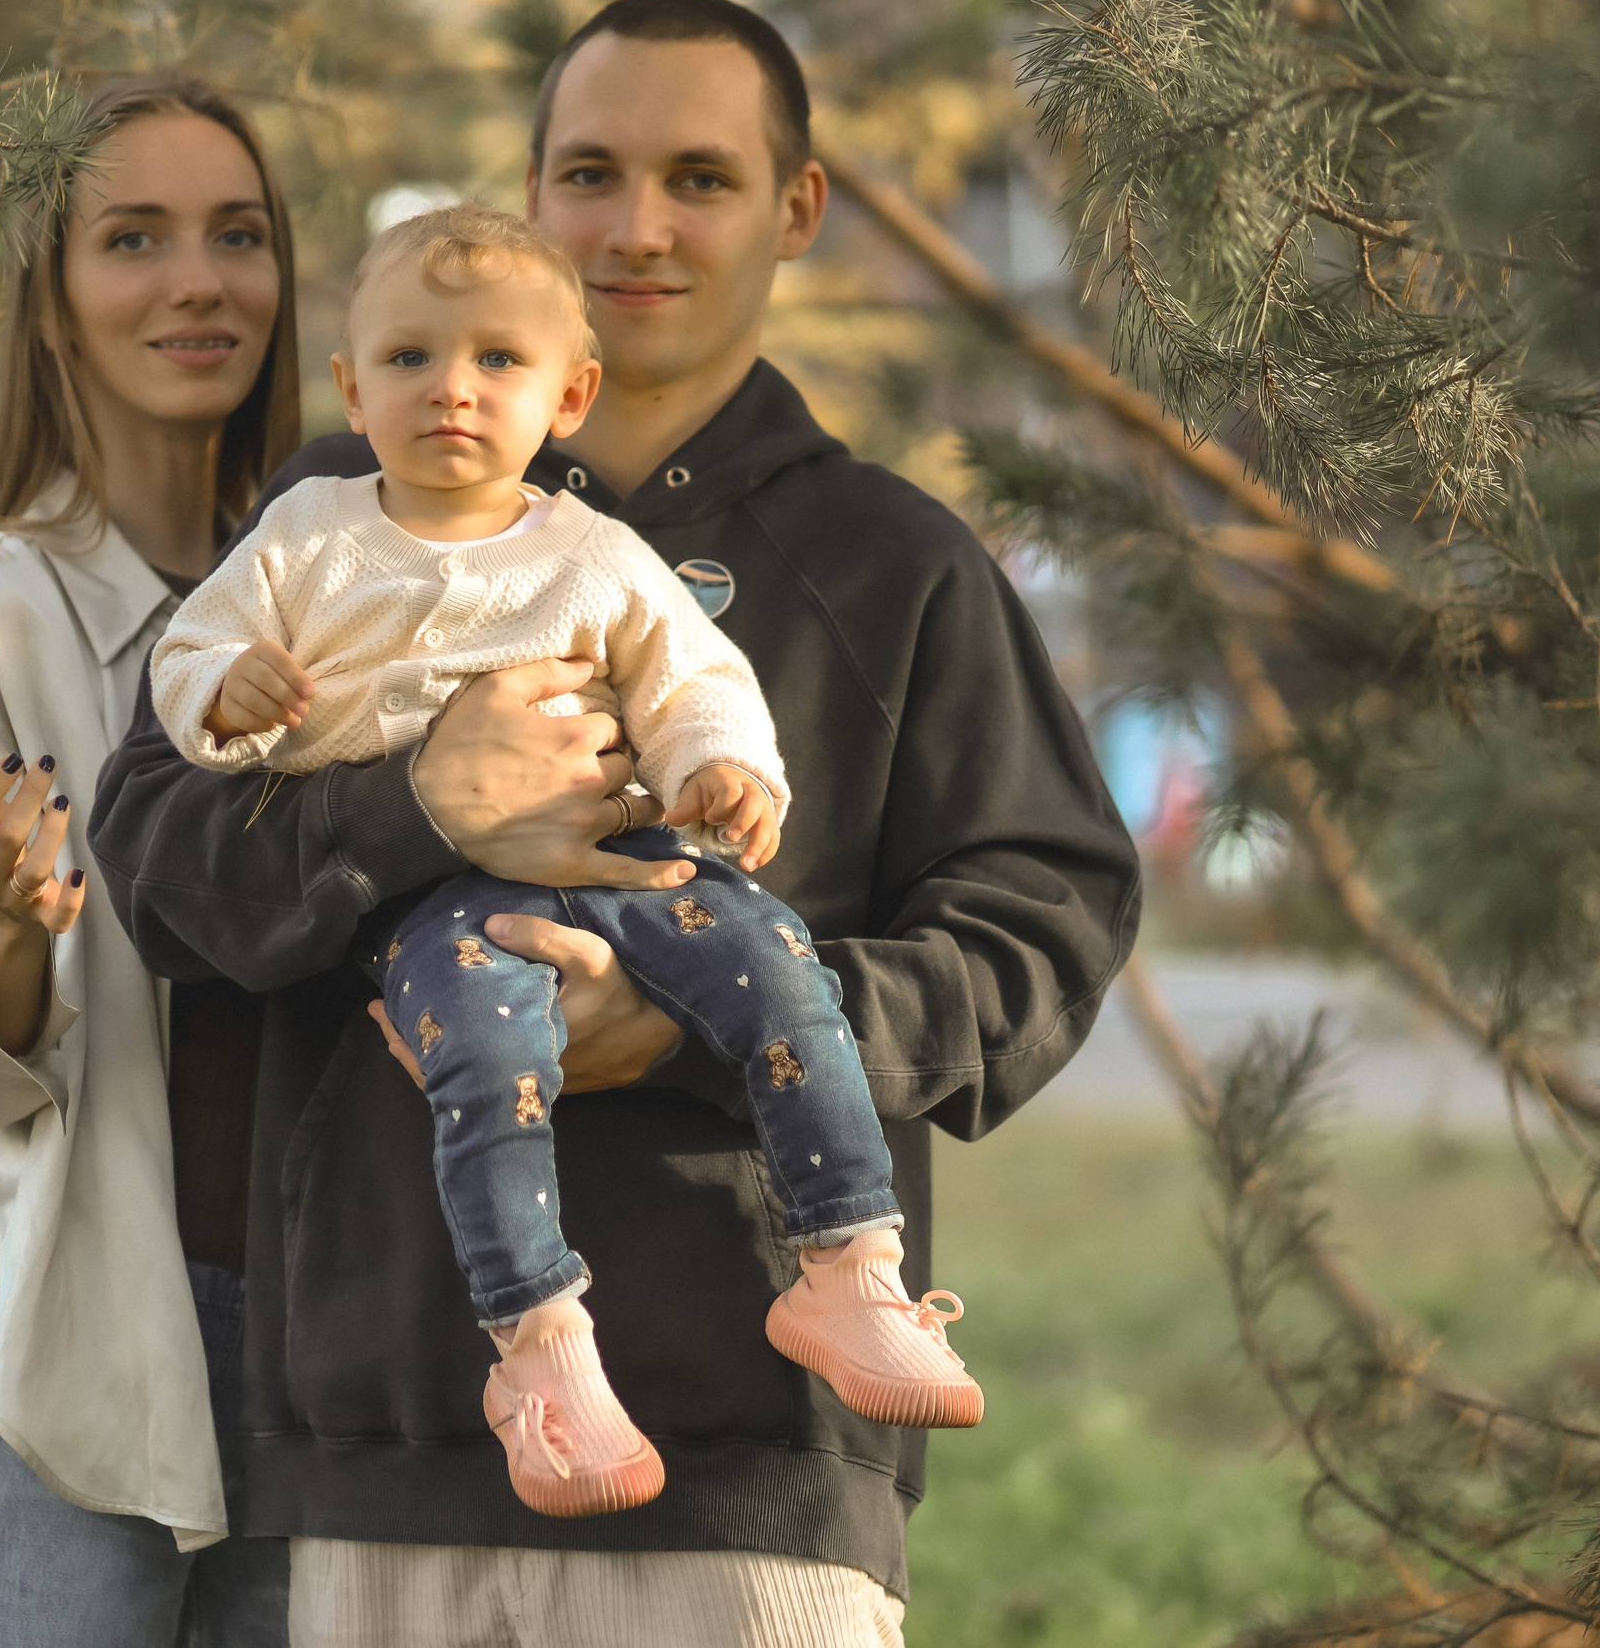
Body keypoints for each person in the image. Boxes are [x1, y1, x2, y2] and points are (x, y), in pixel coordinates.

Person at [92, 0, 1142, 1648]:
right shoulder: (321, 522)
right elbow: (151, 870)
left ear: (797, 209)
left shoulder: (893, 568)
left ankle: (843, 1290)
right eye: (589, 172)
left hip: (754, 1474)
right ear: (530, 192)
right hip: (382, 1439)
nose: (638, 225)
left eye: (701, 179)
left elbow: (1044, 929)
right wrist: (411, 806)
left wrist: (692, 1023)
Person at [148, 203, 983, 1521]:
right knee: (486, 1059)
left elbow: (692, 673)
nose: (453, 390)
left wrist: (725, 770)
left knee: (780, 966)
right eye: (411, 360)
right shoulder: (308, 534)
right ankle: (539, 1346)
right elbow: (186, 658)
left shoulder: (592, 556)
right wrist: (228, 690)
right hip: (436, 893)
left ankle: (848, 1267)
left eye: (497, 361)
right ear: (352, 391)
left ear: (569, 393)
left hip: (630, 854)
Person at [0, 74, 300, 1648]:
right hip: (76, 1390)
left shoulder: (353, 587)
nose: (198, 279)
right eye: (135, 237)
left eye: (237, 235)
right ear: (51, 305)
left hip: (333, 1391)